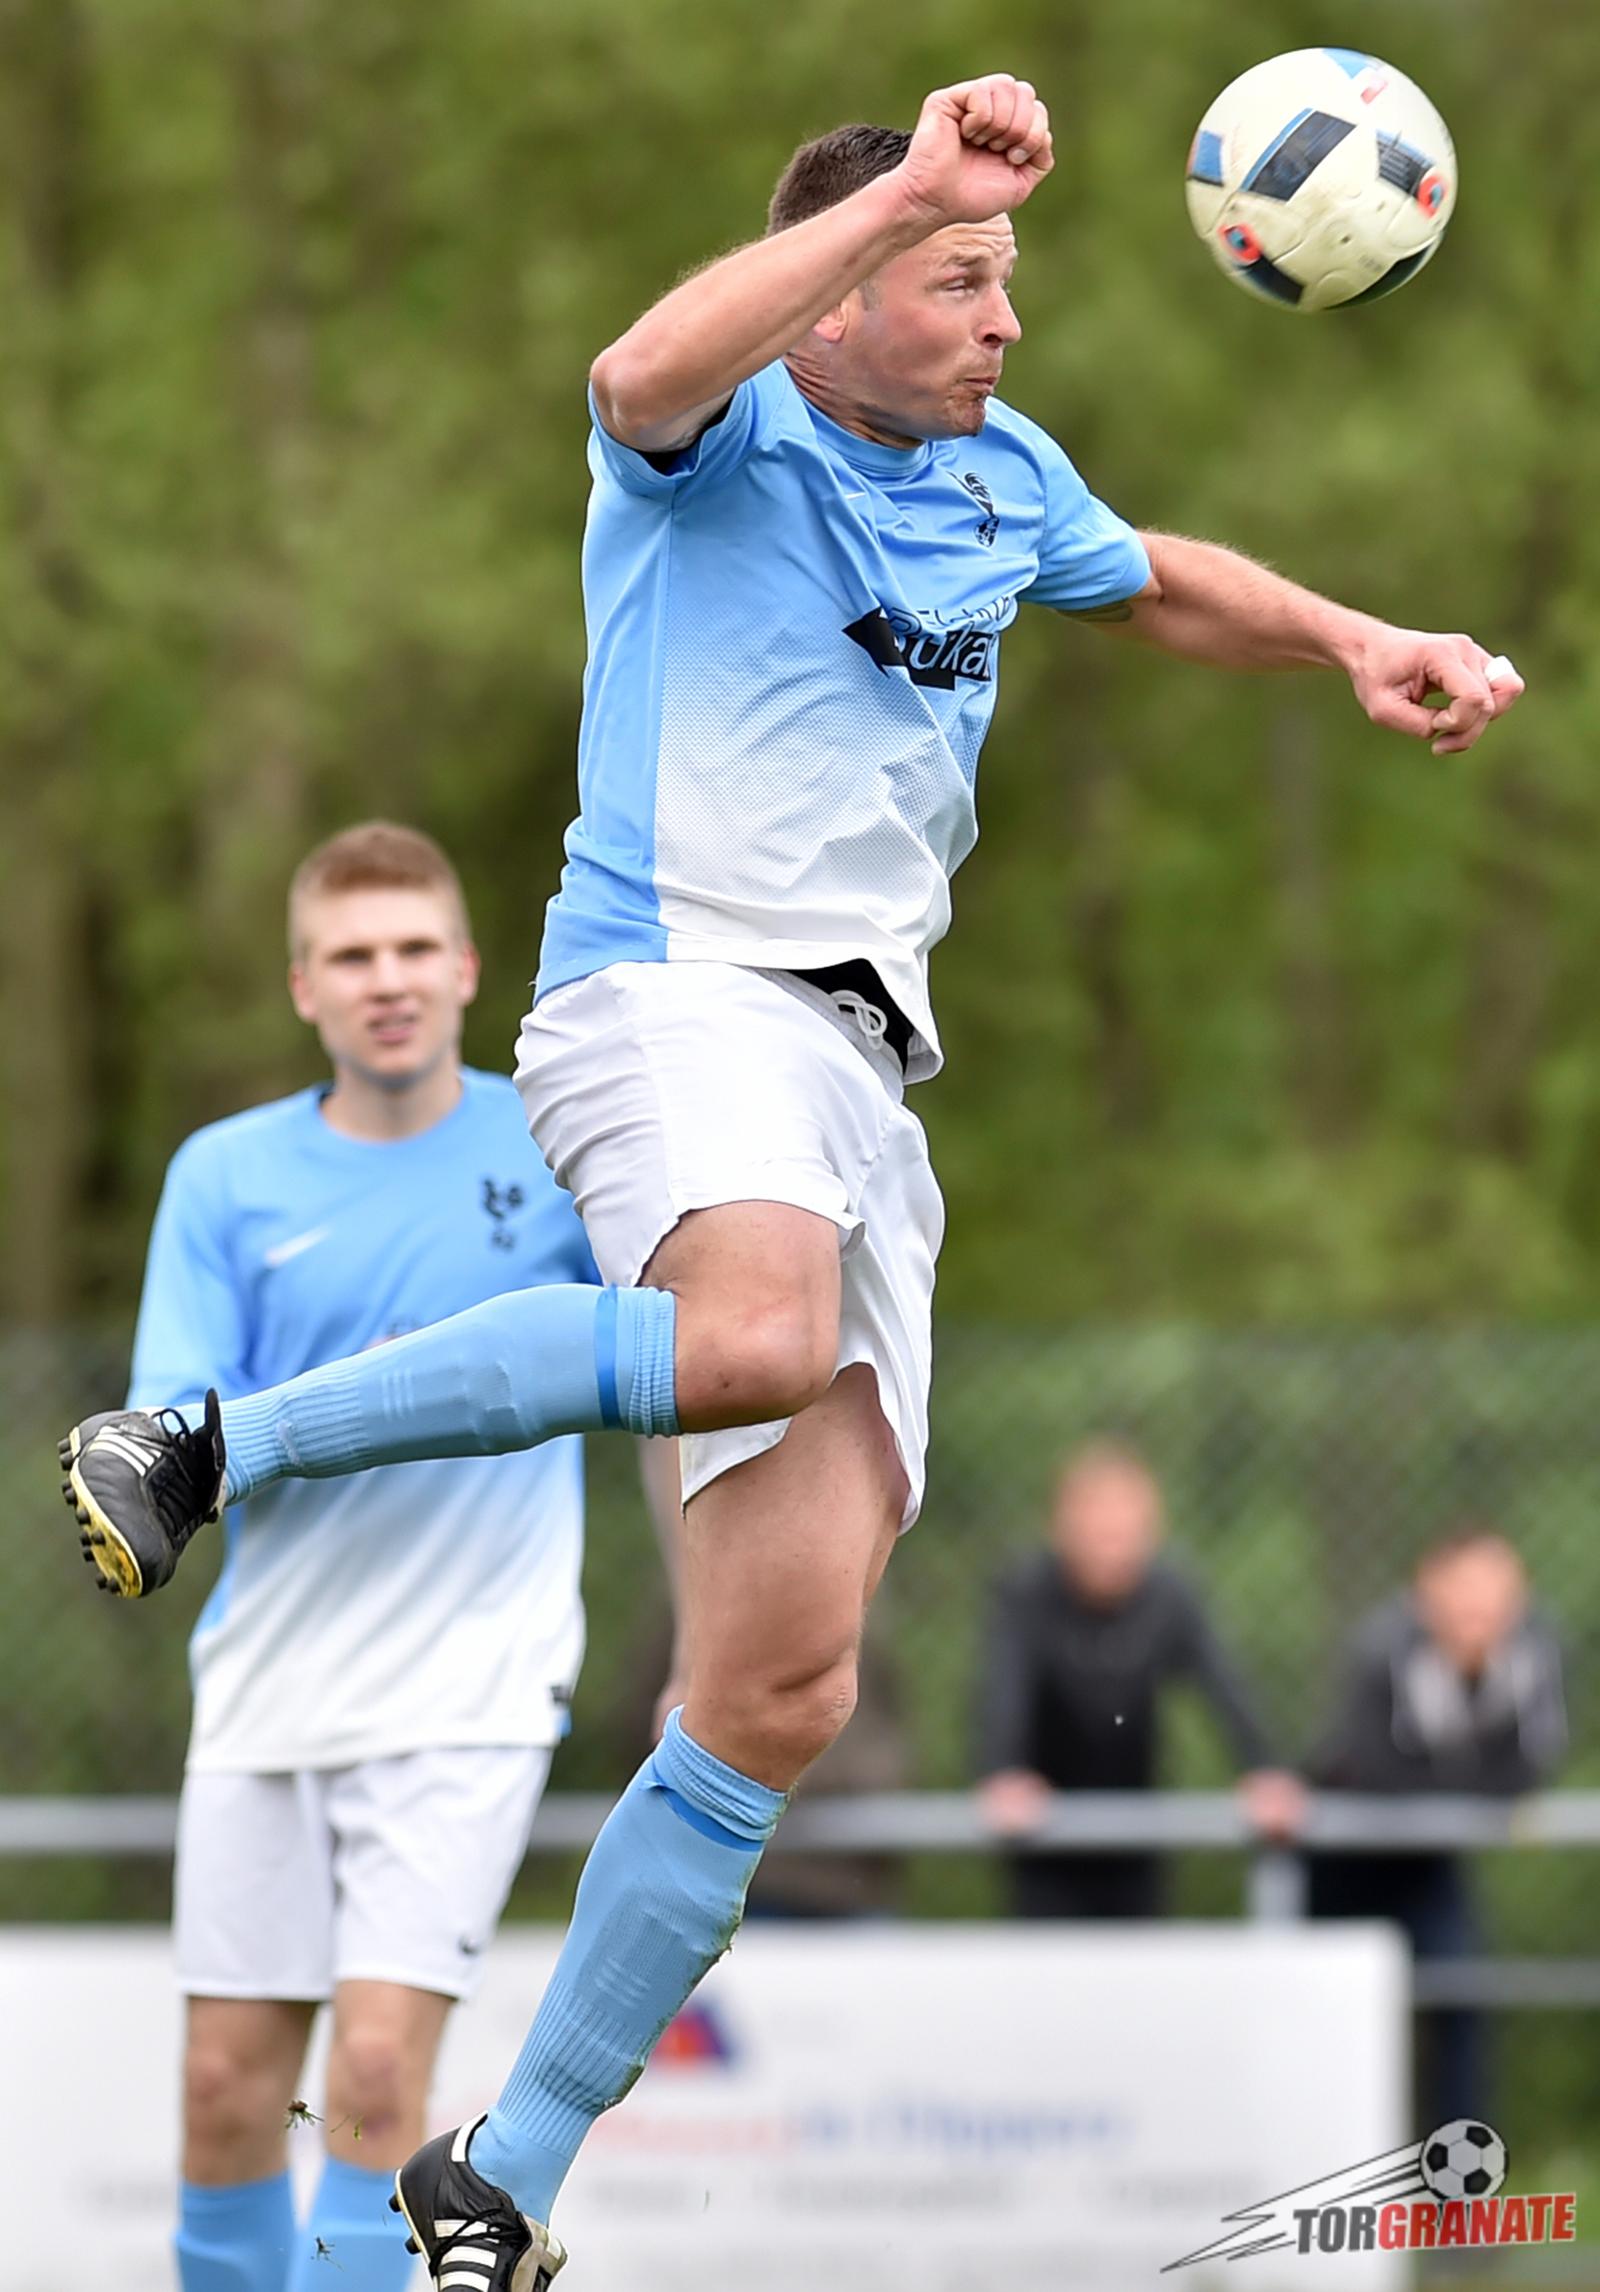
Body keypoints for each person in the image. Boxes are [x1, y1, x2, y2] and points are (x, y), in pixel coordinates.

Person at [59, 75, 1523, 2292]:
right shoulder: (721, 441)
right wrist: (904, 189)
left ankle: (502, 2173)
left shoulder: (1003, 474)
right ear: (836, 300)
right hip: (673, 991)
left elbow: (1154, 580)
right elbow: (628, 370)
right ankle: (201, 1445)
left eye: (1003, 282)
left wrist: (1348, 640)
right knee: (752, 1335)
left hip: (858, 1073)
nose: (1000, 322)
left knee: (781, 1686)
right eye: (957, 281)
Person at [117, 821, 671, 2292]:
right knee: (224, 2091)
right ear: (305, 986)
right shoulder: (225, 1177)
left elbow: (673, 1388)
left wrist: (704, 1632)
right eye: (353, 955)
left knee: (371, 2074)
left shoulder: (559, 1150)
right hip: (270, 1678)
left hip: (472, 1685)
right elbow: (174, 1424)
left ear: (469, 969)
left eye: (416, 947)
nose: (389, 979)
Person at [1306, 1525, 1566, 2125]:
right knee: (1329, 2016)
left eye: (1496, 1589)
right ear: (1428, 1592)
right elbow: (1373, 1773)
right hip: (1342, 1865)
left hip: (1427, 1865)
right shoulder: (1381, 1651)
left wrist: (1445, 1790)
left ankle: (1459, 2175)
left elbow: (1528, 1772)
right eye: (1466, 1588)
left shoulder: (1533, 1655)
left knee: (1461, 1996)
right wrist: (1469, 1789)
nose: (1481, 1606)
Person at [976, 1441, 1302, 1914]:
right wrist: (1002, 1772)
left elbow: (1225, 1683)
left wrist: (1263, 1770)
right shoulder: (1026, 1593)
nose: (1113, 1552)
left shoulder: (1170, 1596)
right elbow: (1003, 1690)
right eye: (1100, 1534)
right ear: (1064, 1528)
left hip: (1139, 1834)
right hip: (1042, 1838)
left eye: (1126, 1535)